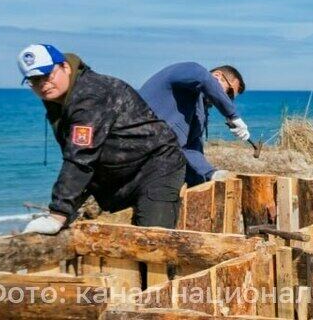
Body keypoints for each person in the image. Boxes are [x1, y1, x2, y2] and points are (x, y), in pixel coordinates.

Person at [18, 44, 188, 234]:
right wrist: (69, 206)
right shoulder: (58, 101)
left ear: (65, 67)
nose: (43, 84)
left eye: (47, 75)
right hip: (120, 177)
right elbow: (78, 153)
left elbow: (80, 156)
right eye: (34, 80)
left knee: (153, 240)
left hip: (157, 166)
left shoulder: (91, 95)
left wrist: (58, 213)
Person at [139, 62, 251, 186]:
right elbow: (202, 77)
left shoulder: (199, 110)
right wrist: (232, 114)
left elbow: (190, 149)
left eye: (231, 98)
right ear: (217, 76)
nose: (227, 98)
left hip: (157, 162)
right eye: (229, 92)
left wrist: (209, 175)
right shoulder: (190, 70)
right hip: (138, 148)